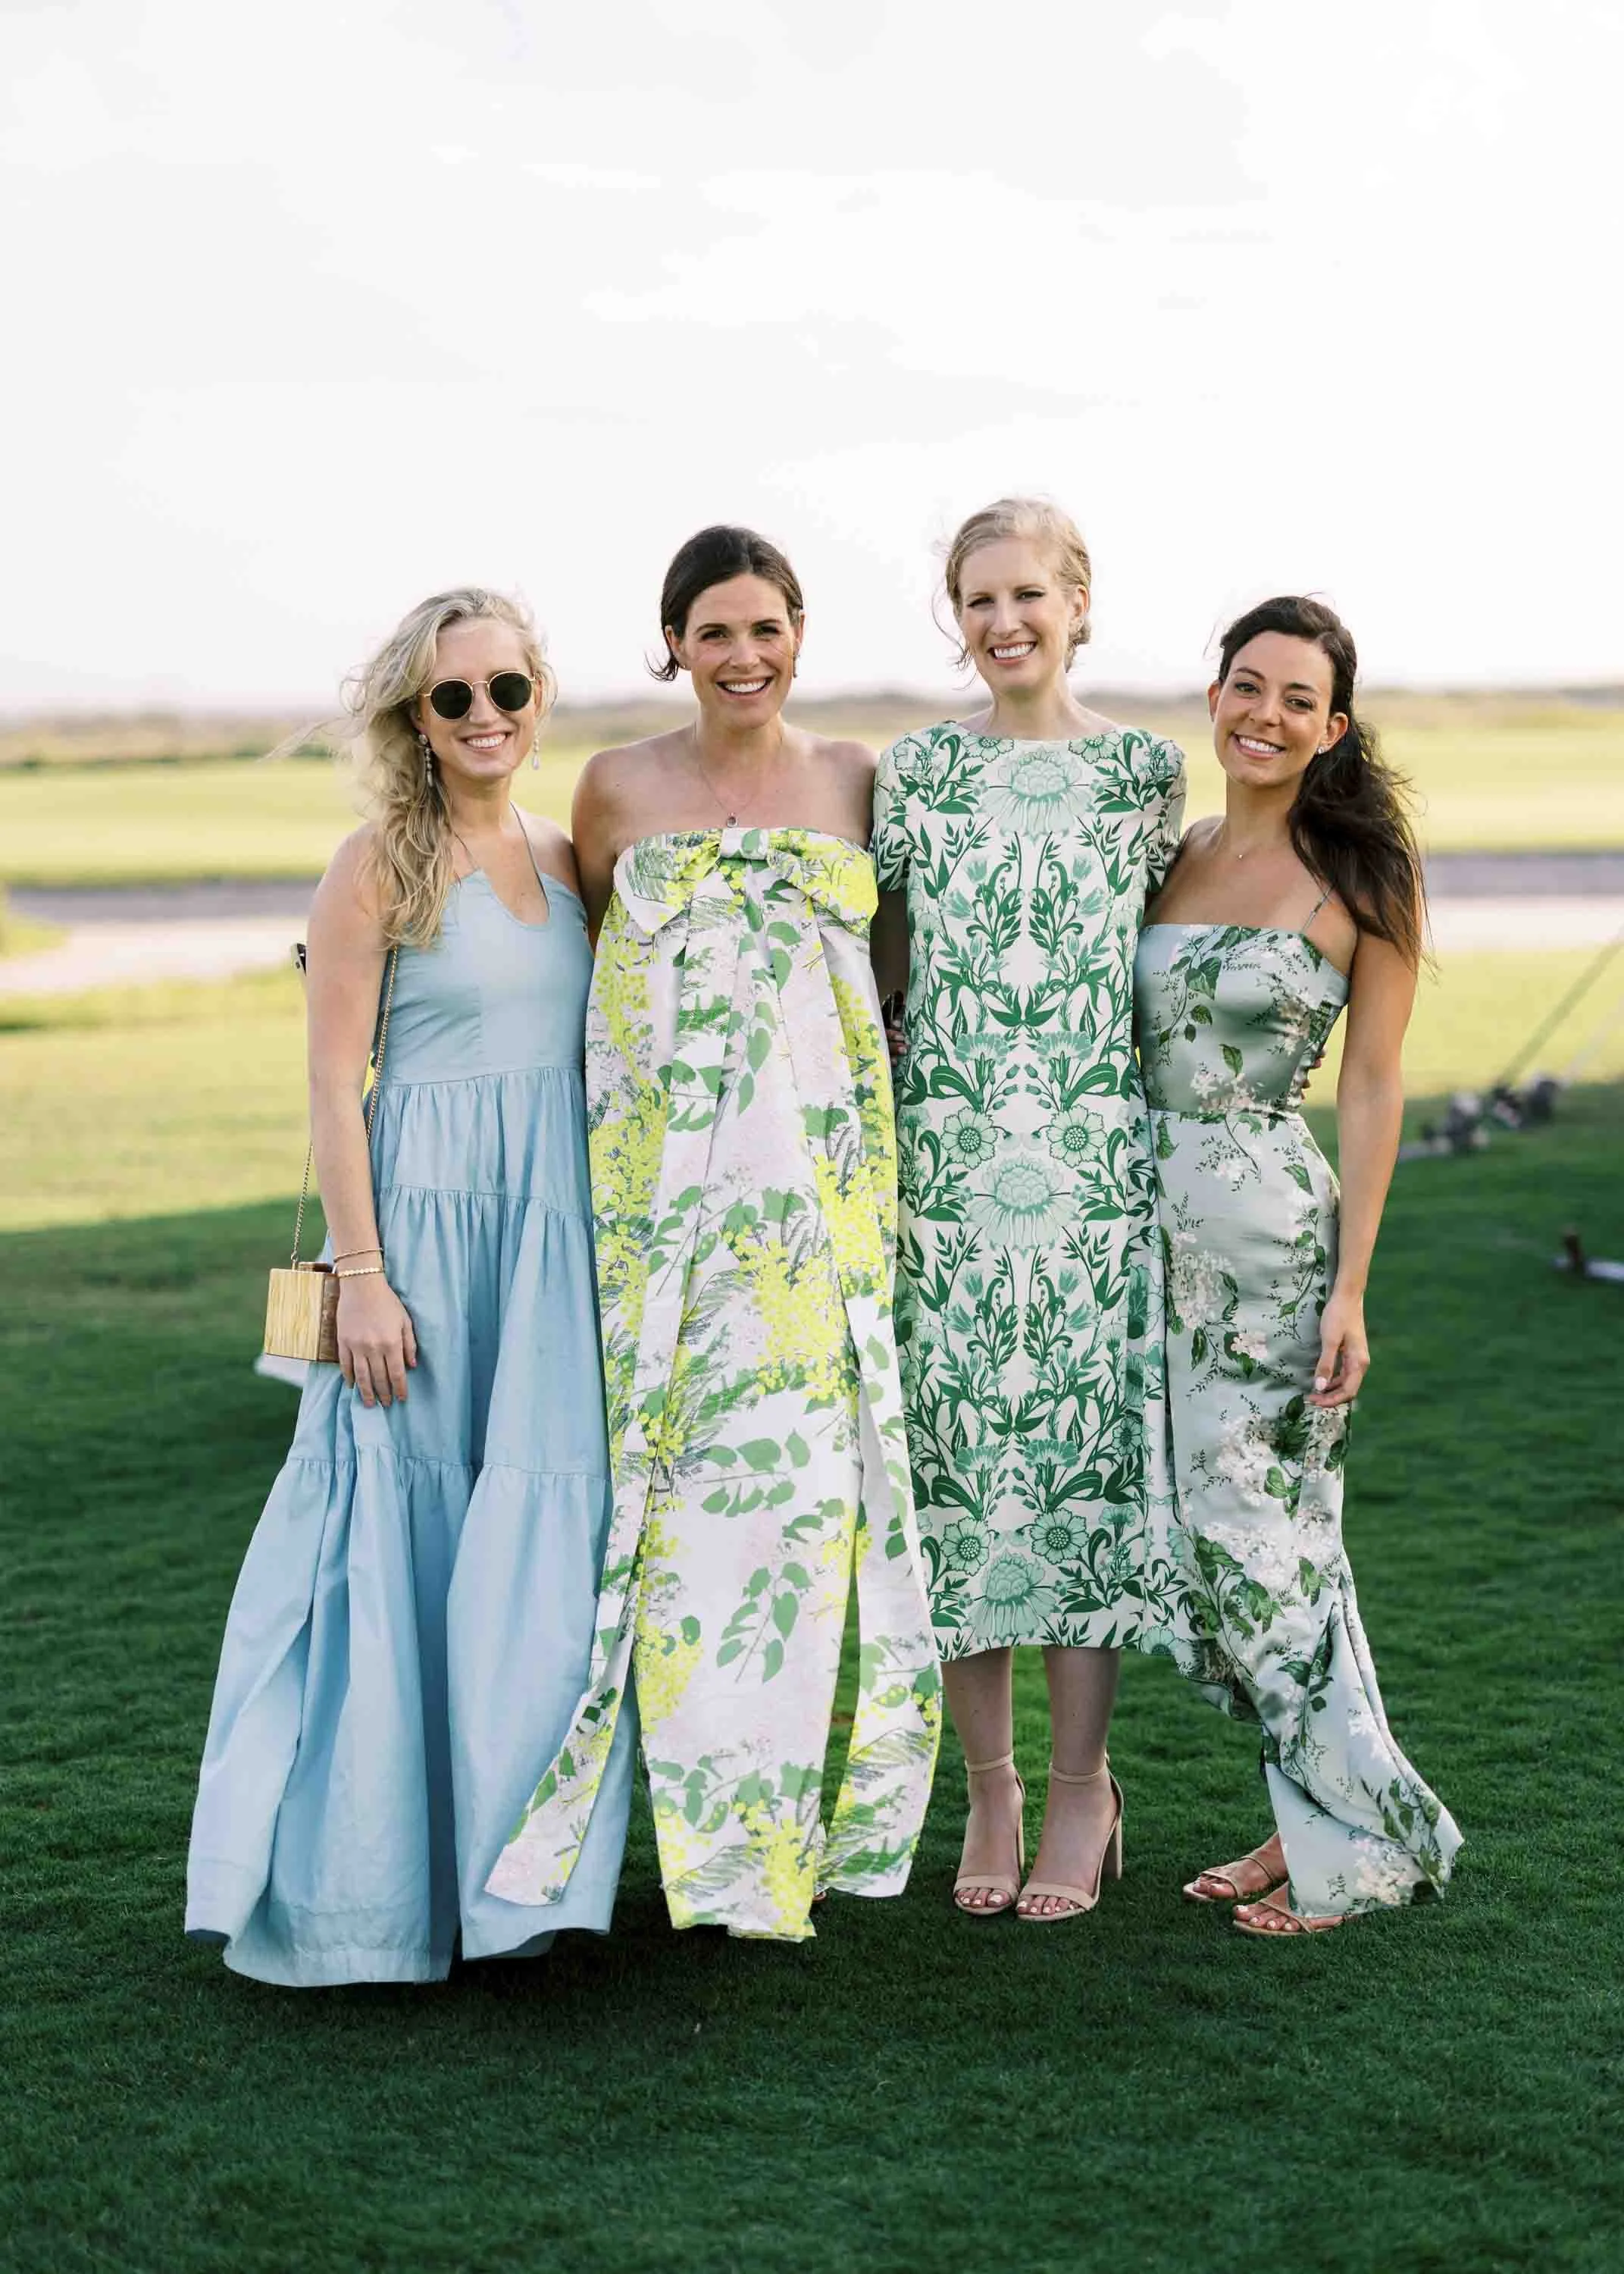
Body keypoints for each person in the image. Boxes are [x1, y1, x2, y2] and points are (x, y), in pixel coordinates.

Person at [485, 525, 940, 1943]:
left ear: (800, 631)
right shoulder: (614, 788)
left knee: (805, 1521)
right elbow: (597, 985)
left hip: (817, 1217)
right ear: (670, 642)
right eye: (714, 632)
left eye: (767, 628)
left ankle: (780, 1856)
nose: (743, 657)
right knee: (678, 1520)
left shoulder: (857, 779)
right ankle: (697, 1856)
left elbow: (893, 981)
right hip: (662, 1213)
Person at [186, 587, 634, 1983]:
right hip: (420, 1251)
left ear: (539, 698)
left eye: (509, 687)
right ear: (414, 719)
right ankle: (374, 1899)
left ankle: (530, 1885)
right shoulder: (376, 863)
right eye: (455, 696)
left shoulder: (571, 861)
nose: (486, 714)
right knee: (393, 1553)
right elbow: (332, 1084)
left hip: (551, 1246)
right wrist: (361, 1278)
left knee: (541, 1555)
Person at [871, 498, 1187, 1922]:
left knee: (1076, 1486)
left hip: (1091, 1182)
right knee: (957, 1490)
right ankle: (986, 1795)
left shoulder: (1141, 775)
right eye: (977, 601)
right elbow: (877, 978)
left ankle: (1081, 1792)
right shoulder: (916, 775)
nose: (1003, 624)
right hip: (941, 1179)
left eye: (1027, 597)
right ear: (957, 619)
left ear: (1077, 603)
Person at [1133, 594, 1463, 1935]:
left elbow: (1375, 1089)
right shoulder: (1169, 852)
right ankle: (1307, 1816)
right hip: (1133, 1232)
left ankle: (1376, 1827)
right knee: (1224, 1545)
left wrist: (1351, 1290)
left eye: (1294, 701)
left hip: (1264, 1239)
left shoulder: (1357, 879)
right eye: (1244, 687)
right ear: (1213, 695)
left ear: (1331, 729)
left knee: (1255, 1540)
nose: (1263, 717)